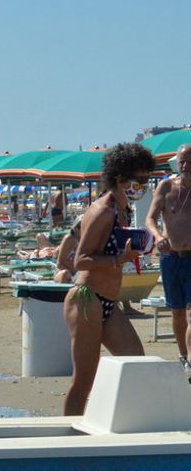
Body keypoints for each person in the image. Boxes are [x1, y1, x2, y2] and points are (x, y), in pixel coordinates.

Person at [62, 142, 156, 415]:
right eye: (140, 179)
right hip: (86, 300)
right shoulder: (103, 210)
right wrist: (118, 260)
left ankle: (114, 422)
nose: (144, 185)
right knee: (83, 381)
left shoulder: (122, 209)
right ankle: (65, 441)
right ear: (120, 177)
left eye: (147, 179)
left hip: (107, 303)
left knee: (136, 363)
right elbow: (81, 260)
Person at [147, 142, 191, 373]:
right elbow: (150, 219)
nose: (185, 165)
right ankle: (183, 355)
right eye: (182, 161)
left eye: (190, 161)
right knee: (176, 311)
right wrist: (157, 237)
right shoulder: (165, 186)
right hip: (171, 258)